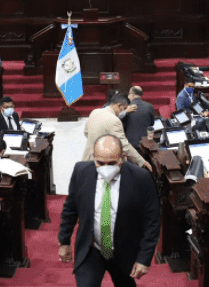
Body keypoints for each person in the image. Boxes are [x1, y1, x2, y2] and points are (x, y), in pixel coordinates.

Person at [58, 134, 160, 287]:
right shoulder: (81, 171)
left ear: (122, 157)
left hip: (124, 250)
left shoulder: (141, 178)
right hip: (91, 249)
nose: (106, 168)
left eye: (112, 163)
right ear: (93, 157)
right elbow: (70, 209)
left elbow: (152, 221)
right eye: (100, 163)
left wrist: (144, 258)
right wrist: (64, 241)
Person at [81, 93, 151, 172]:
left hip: (87, 159)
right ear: (119, 106)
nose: (124, 111)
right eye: (124, 108)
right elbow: (125, 146)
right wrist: (142, 161)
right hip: (104, 163)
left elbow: (86, 132)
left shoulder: (94, 112)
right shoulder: (114, 120)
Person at [121, 86, 155, 152]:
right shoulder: (149, 106)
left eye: (129, 94)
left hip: (130, 144)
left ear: (132, 94)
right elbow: (152, 123)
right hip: (145, 143)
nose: (128, 96)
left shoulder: (126, 108)